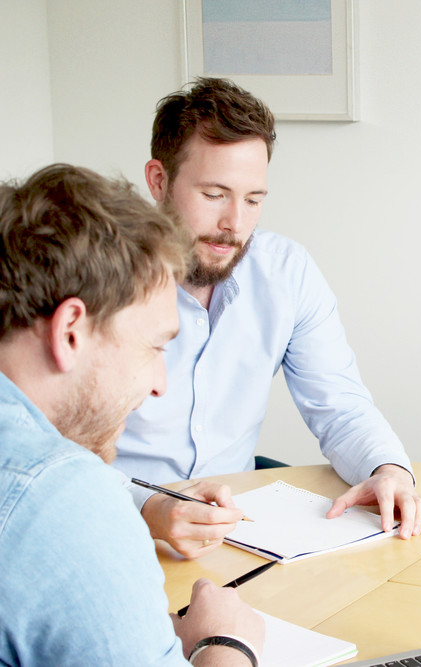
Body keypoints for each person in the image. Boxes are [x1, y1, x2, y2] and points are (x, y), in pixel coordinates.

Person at [112, 77, 421, 558]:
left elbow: (340, 407)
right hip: (114, 529)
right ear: (159, 180)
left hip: (235, 537)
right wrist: (144, 507)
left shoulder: (287, 272)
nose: (235, 224)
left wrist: (388, 470)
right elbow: (42, 453)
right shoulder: (96, 278)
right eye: (214, 194)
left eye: (254, 199)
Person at [0, 164, 264, 665]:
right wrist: (226, 643)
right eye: (154, 347)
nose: (159, 383)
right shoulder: (60, 495)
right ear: (71, 331)